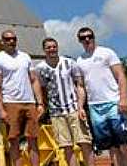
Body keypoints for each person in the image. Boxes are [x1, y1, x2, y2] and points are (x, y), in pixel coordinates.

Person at [75, 27, 127, 166]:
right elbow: (80, 86)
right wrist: (80, 107)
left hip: (113, 103)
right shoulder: (79, 60)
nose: (87, 39)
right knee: (111, 146)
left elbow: (121, 76)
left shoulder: (107, 53)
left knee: (125, 143)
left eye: (89, 36)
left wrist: (123, 99)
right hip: (95, 107)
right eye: (83, 38)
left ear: (93, 37)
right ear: (79, 41)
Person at [35, 38, 94, 166]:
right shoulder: (40, 68)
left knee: (85, 142)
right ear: (44, 50)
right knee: (66, 146)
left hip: (74, 108)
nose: (52, 49)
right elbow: (40, 87)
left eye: (54, 46)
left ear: (57, 47)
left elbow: (79, 85)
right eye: (48, 47)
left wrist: (81, 106)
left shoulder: (69, 63)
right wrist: (42, 105)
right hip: (56, 112)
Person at [0, 30, 44, 166]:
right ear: (2, 41)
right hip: (10, 102)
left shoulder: (25, 56)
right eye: (7, 39)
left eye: (13, 38)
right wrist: (1, 109)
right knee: (14, 140)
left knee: (33, 139)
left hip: (29, 102)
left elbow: (34, 80)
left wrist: (40, 103)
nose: (11, 41)